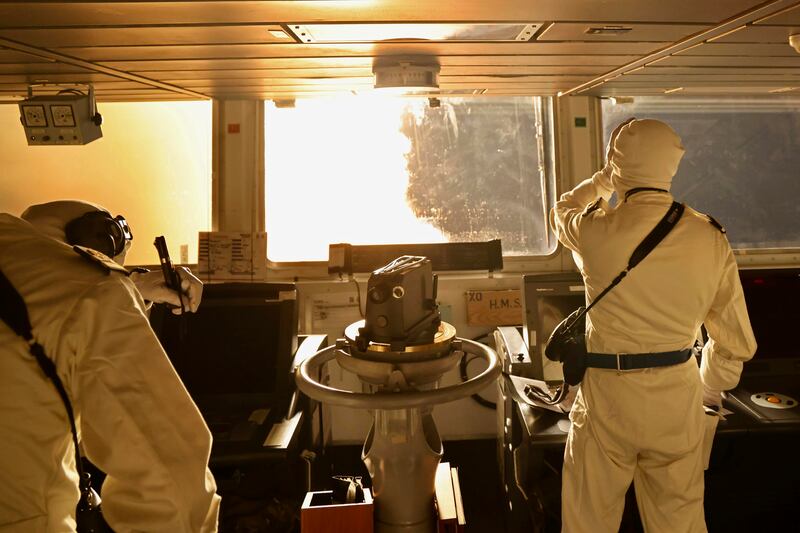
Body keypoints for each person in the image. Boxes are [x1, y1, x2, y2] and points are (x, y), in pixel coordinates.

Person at [550, 119, 756, 532]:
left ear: (617, 166)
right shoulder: (709, 237)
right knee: (679, 519)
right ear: (672, 166)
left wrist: (602, 181)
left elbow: (561, 212)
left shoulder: (595, 231)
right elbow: (734, 339)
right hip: (676, 396)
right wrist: (711, 388)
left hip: (608, 398)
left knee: (589, 518)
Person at [0, 200, 220, 532]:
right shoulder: (94, 290)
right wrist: (113, 290)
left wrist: (133, 286)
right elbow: (169, 483)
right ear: (101, 239)